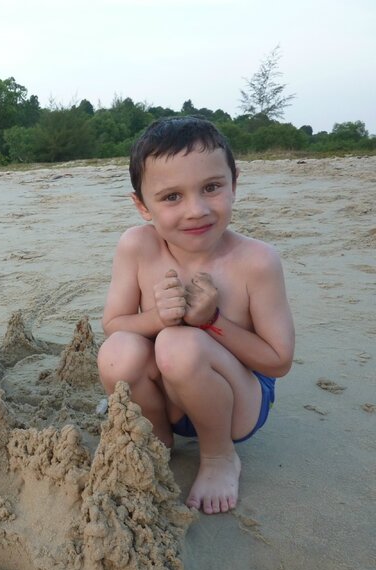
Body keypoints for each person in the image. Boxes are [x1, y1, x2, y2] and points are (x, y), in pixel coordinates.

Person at [97, 116, 294, 514]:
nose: (197, 210)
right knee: (117, 350)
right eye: (171, 197)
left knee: (178, 344)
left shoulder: (255, 262)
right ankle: (157, 439)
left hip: (237, 405)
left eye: (212, 187)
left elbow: (278, 362)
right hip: (167, 400)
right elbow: (114, 323)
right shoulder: (136, 247)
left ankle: (219, 457)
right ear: (142, 206)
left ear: (234, 183)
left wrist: (212, 322)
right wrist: (157, 317)